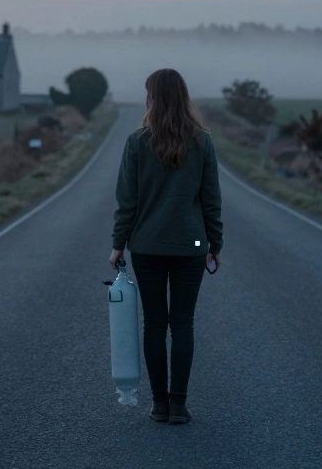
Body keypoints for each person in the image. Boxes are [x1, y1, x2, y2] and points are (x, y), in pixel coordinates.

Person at [109, 68, 223, 425]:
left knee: (155, 325)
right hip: (190, 244)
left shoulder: (136, 142)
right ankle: (179, 405)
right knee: (183, 324)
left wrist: (118, 245)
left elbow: (127, 201)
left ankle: (159, 404)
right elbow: (211, 200)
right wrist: (213, 242)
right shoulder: (202, 141)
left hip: (147, 245)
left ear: (152, 99)